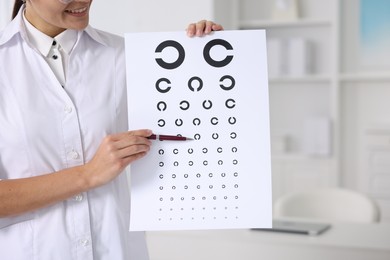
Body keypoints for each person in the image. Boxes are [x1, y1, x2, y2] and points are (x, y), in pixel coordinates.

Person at [0, 0, 223, 259]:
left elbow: (194, 128)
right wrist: (88, 175)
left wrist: (203, 55)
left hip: (117, 249)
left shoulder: (127, 55)